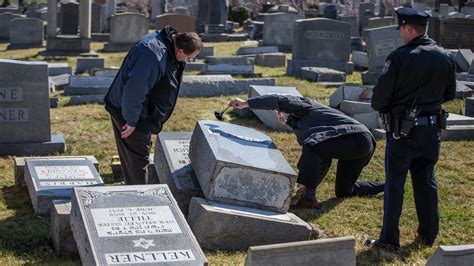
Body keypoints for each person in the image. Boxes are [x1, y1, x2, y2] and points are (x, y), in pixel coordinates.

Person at [366, 6, 456, 249]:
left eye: (402, 30)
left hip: (402, 132)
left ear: (408, 28)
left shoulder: (399, 57)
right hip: (431, 130)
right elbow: (450, 93)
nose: (401, 34)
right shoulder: (445, 56)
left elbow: (378, 100)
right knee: (426, 180)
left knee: (395, 184)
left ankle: (388, 240)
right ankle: (428, 235)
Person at [229, 95, 385, 209]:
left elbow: (276, 100)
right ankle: (386, 186)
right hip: (363, 143)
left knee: (312, 145)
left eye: (282, 112)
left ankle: (309, 199)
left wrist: (246, 103)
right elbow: (322, 158)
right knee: (345, 191)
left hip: (355, 138)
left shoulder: (305, 104)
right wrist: (309, 184)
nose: (281, 115)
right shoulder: (303, 124)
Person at [104, 26, 202, 185]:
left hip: (140, 111)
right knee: (138, 159)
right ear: (181, 51)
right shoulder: (152, 54)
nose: (188, 61)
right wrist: (130, 120)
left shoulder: (168, 44)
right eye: (190, 58)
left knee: (134, 156)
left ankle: (132, 188)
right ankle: (139, 200)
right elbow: (135, 89)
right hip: (131, 113)